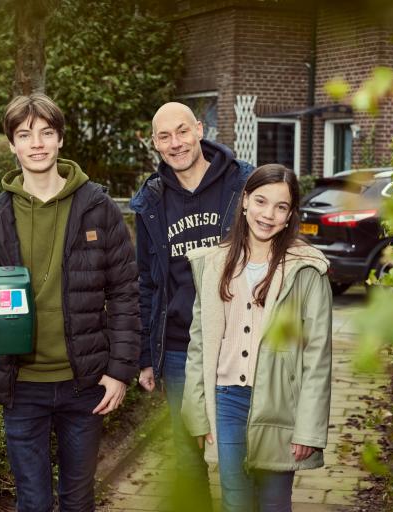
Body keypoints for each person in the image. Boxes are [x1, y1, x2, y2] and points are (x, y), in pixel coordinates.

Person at [0, 93, 140, 512]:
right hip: (21, 384)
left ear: (60, 139)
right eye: (25, 134)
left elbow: (125, 292)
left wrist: (118, 372)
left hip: (84, 384)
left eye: (46, 132)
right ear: (12, 144)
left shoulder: (97, 207)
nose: (37, 142)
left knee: (78, 501)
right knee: (33, 502)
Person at [181, 164, 332, 512]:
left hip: (279, 404)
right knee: (235, 498)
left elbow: (317, 355)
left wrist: (308, 429)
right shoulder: (214, 263)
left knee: (275, 501)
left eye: (281, 207)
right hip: (226, 401)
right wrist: (199, 413)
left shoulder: (306, 269)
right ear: (245, 201)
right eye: (261, 201)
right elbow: (199, 344)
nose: (268, 214)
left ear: (290, 214)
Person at [130, 101, 253, 509]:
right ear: (154, 143)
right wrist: (147, 357)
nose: (175, 143)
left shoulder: (243, 184)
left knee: (240, 460)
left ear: (200, 129)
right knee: (187, 458)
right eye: (164, 136)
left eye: (182, 131)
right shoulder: (150, 201)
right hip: (181, 349)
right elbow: (145, 282)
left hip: (239, 345)